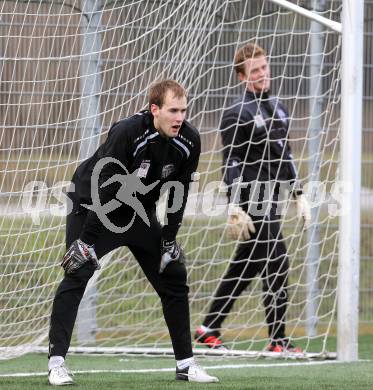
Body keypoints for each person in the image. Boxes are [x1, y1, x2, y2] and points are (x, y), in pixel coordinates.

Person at [48, 79, 219, 385]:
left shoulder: (189, 140)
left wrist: (169, 238)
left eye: (183, 110)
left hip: (137, 210)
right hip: (92, 205)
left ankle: (186, 364)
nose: (180, 117)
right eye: (172, 110)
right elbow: (106, 188)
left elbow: (179, 191)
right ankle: (56, 363)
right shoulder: (128, 132)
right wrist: (86, 241)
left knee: (174, 275)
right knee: (78, 272)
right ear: (155, 109)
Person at [194, 43, 311, 352]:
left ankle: (209, 327)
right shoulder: (236, 112)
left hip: (271, 197)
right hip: (251, 198)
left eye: (264, 67)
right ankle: (278, 340)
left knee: (246, 264)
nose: (263, 73)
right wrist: (234, 204)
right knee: (278, 261)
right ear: (242, 76)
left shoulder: (280, 108)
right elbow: (230, 160)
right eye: (255, 70)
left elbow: (284, 155)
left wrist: (298, 194)